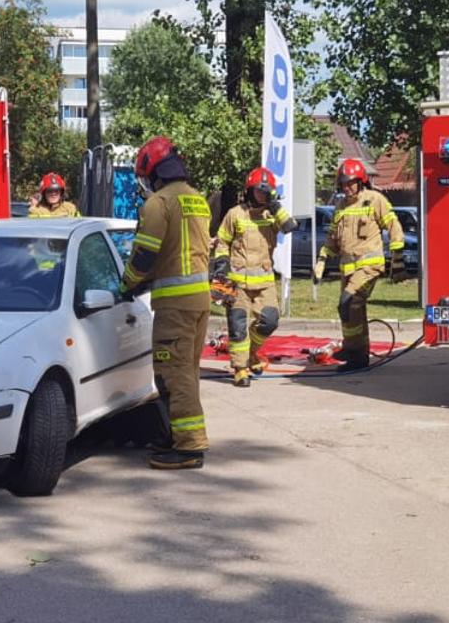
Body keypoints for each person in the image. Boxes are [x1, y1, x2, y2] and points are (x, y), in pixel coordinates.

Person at [121, 136, 212, 470]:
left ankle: (189, 447)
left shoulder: (158, 204)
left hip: (174, 306)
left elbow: (145, 255)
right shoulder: (197, 200)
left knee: (174, 374)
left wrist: (127, 284)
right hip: (199, 301)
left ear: (153, 171)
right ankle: (176, 435)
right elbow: (179, 252)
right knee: (187, 371)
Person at [313, 159, 405, 372]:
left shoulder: (374, 200)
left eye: (350, 183)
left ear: (361, 181)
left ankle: (355, 352)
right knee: (351, 309)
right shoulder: (341, 206)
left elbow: (393, 225)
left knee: (349, 302)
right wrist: (322, 260)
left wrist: (397, 258)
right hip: (348, 269)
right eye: (343, 184)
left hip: (369, 266)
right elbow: (332, 239)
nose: (346, 188)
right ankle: (356, 354)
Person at [213, 167, 296, 387]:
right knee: (237, 325)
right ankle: (240, 369)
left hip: (264, 281)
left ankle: (251, 353)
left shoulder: (272, 215)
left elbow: (290, 226)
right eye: (259, 192)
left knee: (270, 321)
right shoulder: (235, 214)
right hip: (237, 281)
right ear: (249, 191)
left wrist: (275, 205)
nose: (262, 195)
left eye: (266, 192)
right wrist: (221, 266)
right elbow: (222, 243)